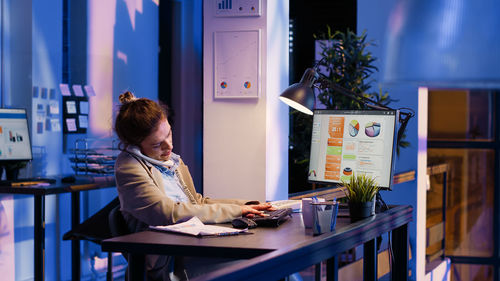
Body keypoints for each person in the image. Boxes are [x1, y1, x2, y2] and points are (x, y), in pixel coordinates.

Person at [114, 91, 273, 280]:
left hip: (192, 244)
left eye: (169, 134)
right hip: (169, 259)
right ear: (135, 146)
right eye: (157, 144)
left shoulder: (170, 161)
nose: (169, 146)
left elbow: (197, 201)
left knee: (266, 256)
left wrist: (246, 206)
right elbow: (170, 213)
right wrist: (236, 211)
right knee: (260, 263)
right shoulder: (128, 167)